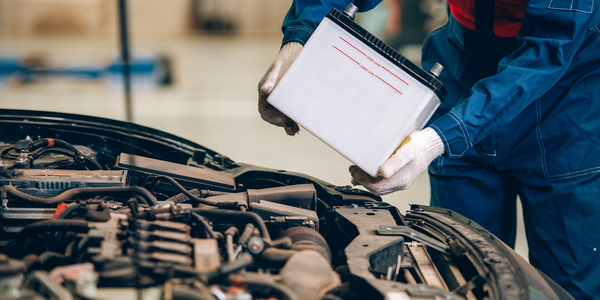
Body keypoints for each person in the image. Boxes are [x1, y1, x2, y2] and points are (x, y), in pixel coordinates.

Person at [258, 1, 600, 299]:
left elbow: (548, 50)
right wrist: (301, 35)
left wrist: (439, 138)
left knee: (567, 286)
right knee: (461, 273)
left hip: (564, 105)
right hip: (462, 71)